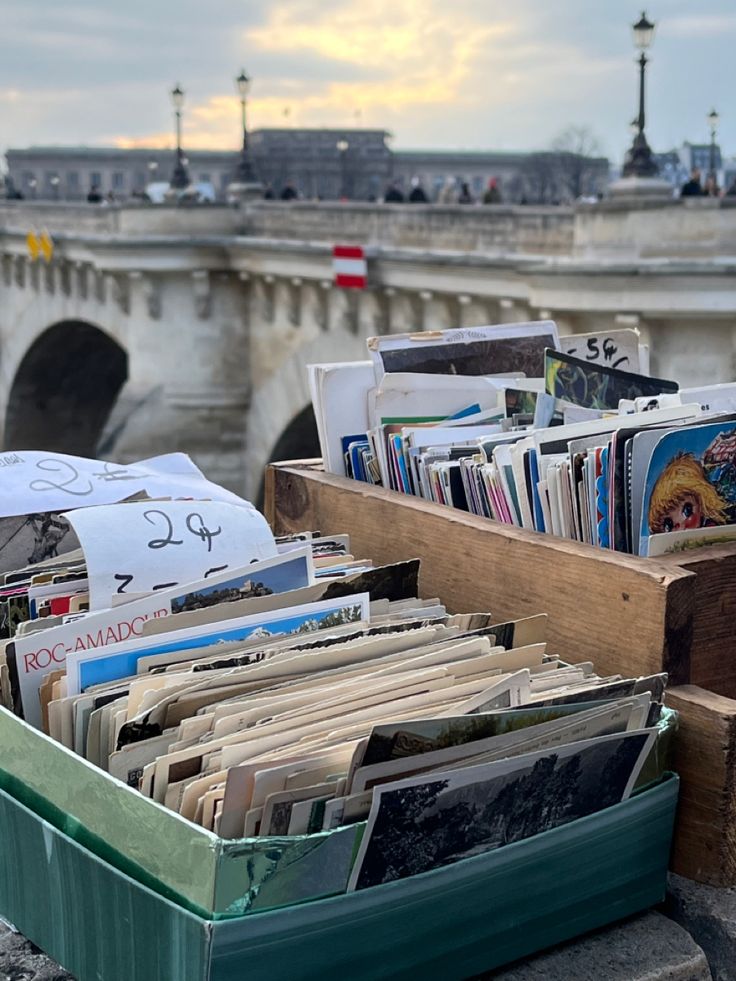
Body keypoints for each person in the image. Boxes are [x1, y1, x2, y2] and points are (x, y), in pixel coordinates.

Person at [648, 452, 729, 534]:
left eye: (687, 510)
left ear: (701, 505)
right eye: (668, 525)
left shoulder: (712, 528)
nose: (681, 525)